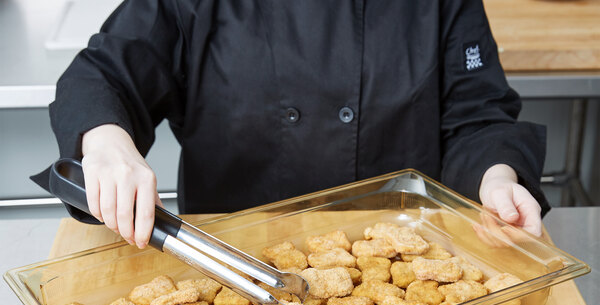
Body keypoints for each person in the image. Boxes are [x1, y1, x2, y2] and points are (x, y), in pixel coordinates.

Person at [34, 0, 549, 249]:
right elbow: (105, 75)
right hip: (234, 271)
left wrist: (496, 178)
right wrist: (105, 142)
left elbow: (477, 115)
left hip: (404, 268)